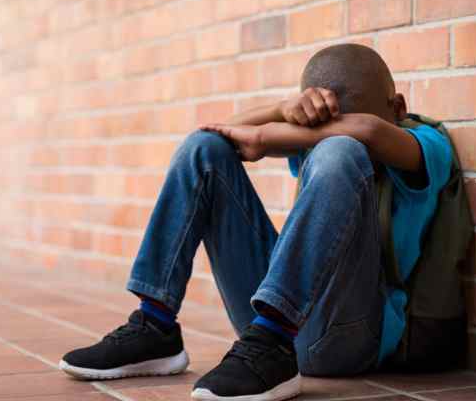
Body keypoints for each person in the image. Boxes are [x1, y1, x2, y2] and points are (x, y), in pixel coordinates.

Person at [59, 44, 453, 401]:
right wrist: (283, 110)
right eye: (321, 125)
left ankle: (274, 343)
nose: (328, 133)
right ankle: (156, 324)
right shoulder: (318, 139)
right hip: (265, 329)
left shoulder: (425, 145)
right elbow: (222, 131)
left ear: (398, 108)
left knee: (341, 151)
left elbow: (367, 131)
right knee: (204, 148)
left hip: (350, 338)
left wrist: (270, 135)